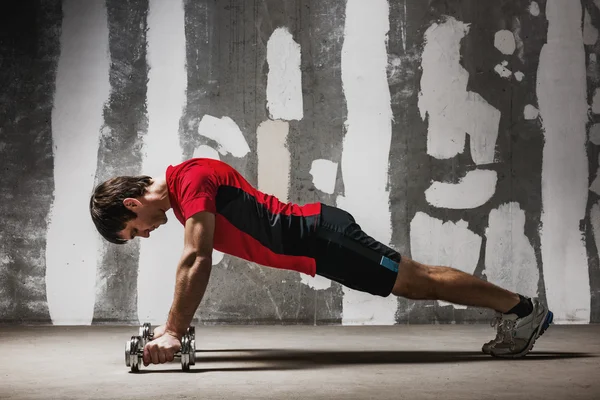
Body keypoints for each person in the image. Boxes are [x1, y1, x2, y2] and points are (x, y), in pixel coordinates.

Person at [89, 158, 553, 366]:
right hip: (319, 246)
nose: (146, 234)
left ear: (132, 204)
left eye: (135, 230)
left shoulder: (189, 181)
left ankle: (522, 310)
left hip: (324, 240)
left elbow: (197, 257)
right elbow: (195, 255)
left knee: (418, 280)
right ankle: (518, 309)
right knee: (416, 280)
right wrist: (175, 324)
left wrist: (172, 330)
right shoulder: (187, 189)